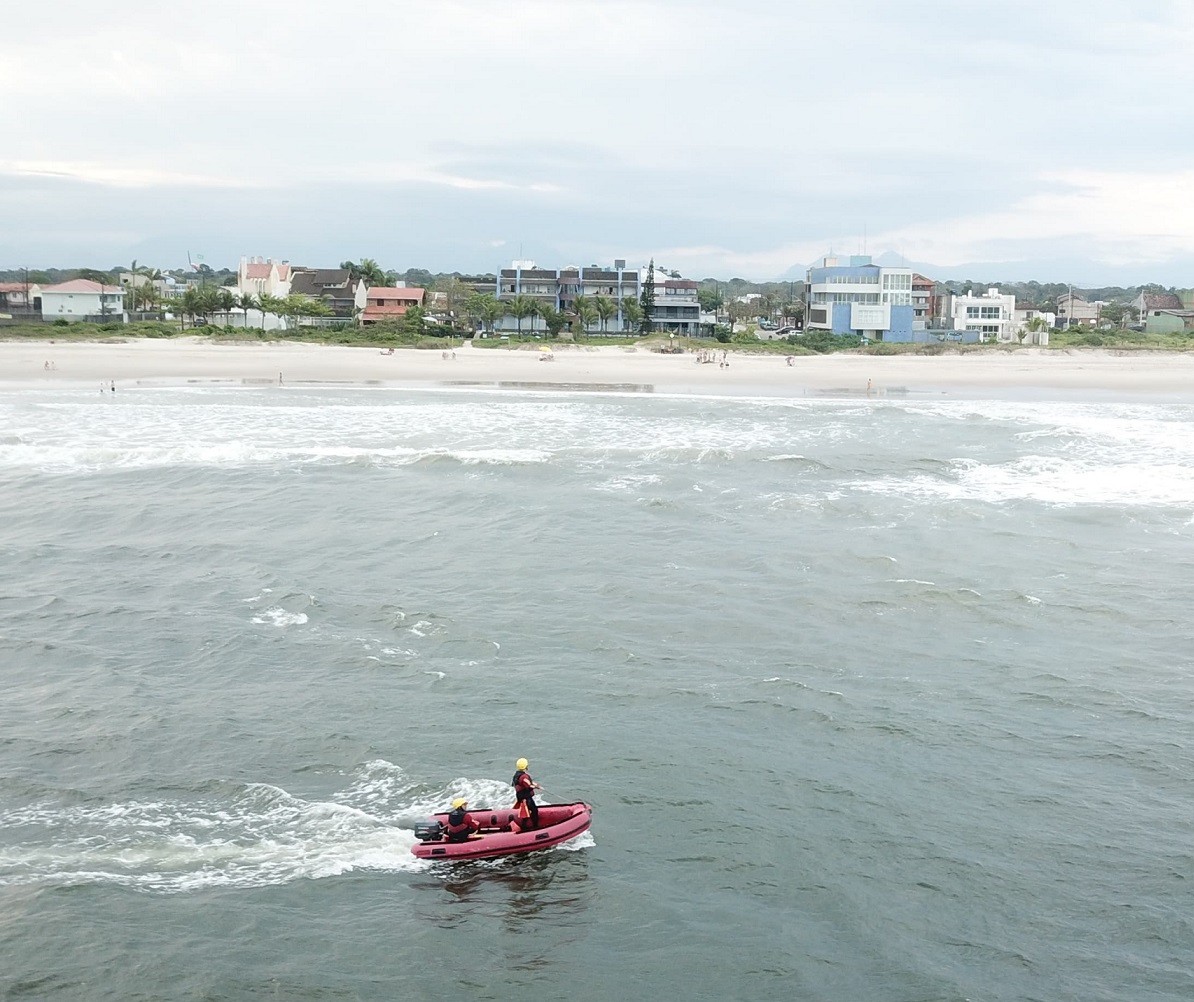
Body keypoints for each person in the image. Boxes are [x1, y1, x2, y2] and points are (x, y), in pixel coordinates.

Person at [512, 757, 541, 829]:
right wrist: (536, 787)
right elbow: (528, 785)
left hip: (521, 797)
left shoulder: (517, 775)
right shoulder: (524, 777)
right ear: (526, 766)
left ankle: (524, 827)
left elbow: (528, 783)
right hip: (526, 798)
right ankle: (535, 827)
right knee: (534, 811)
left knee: (525, 812)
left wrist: (536, 785)